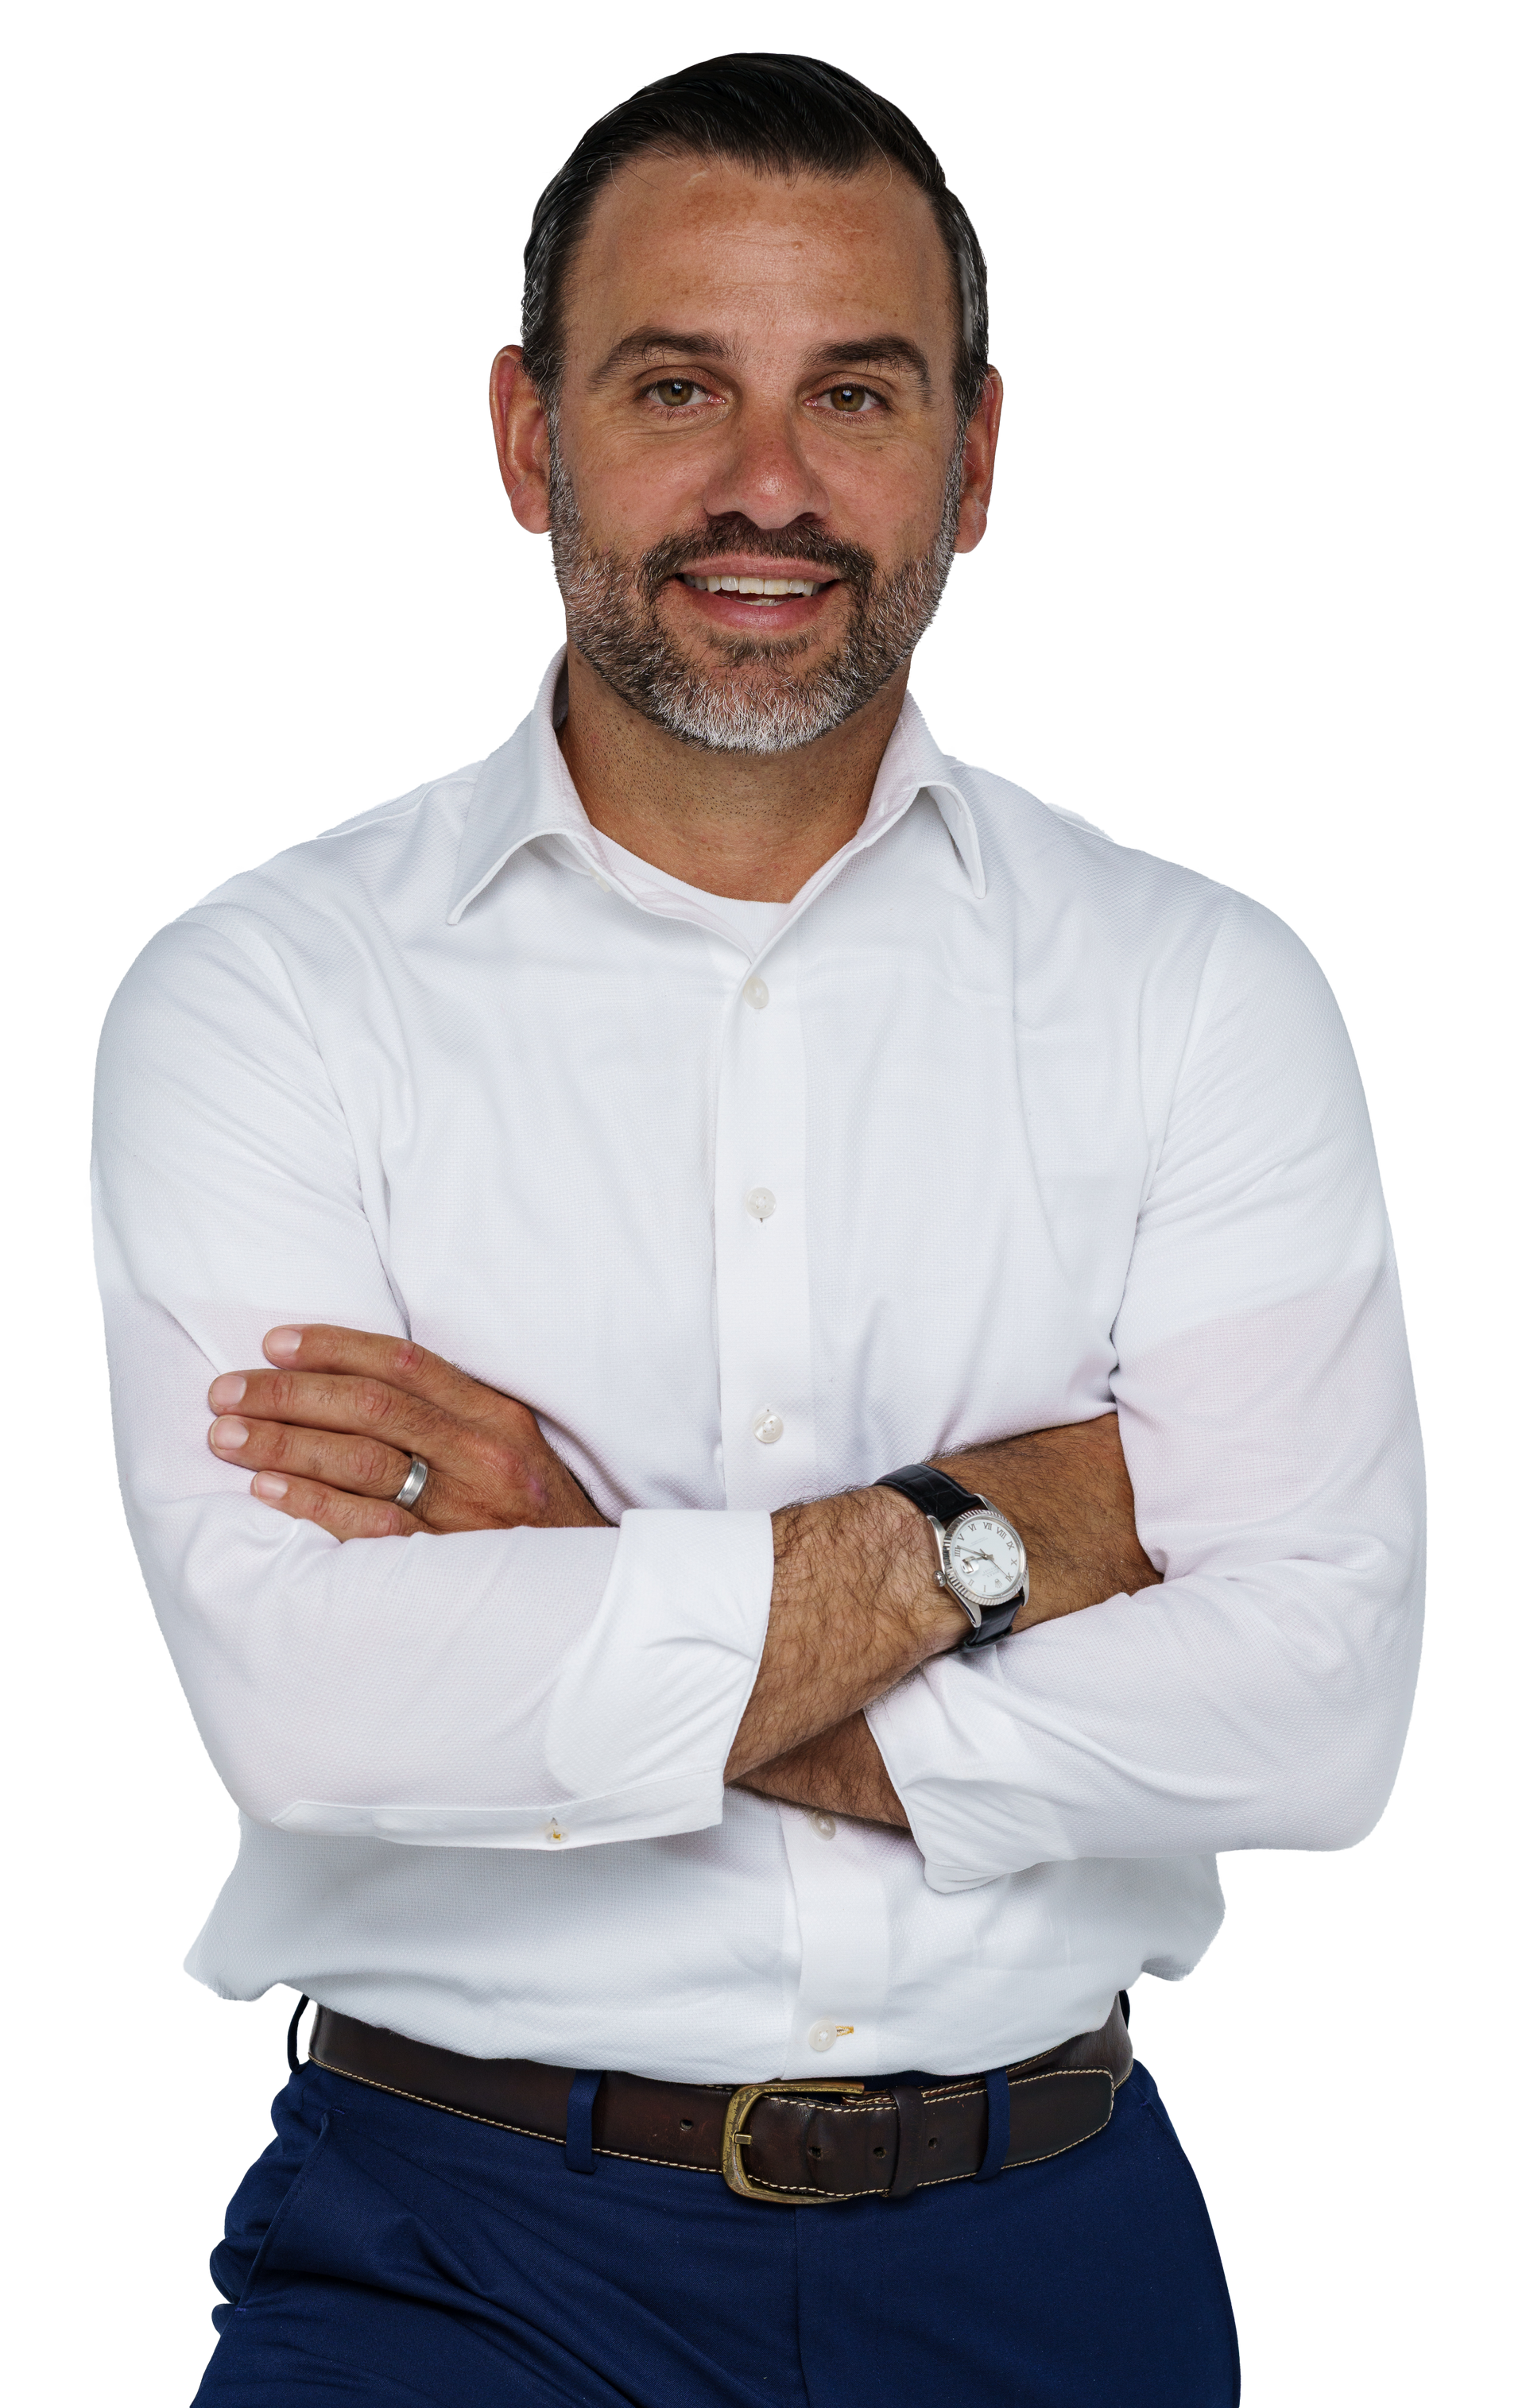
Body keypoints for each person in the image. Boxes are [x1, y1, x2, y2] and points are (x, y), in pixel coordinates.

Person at [87, 51, 1425, 2407]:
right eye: (679, 384)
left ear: (979, 459)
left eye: (861, 394)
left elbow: (1315, 1714)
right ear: (528, 436)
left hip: (1058, 2252)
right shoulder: (265, 998)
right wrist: (1006, 1527)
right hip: (457, 2252)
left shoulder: (1201, 990)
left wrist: (596, 1564)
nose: (769, 487)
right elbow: (314, 1707)